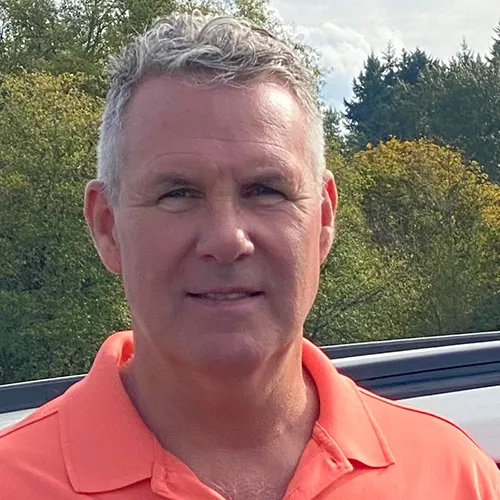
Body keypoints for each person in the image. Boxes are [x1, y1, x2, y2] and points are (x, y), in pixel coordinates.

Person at [0, 11, 498, 500]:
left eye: (265, 190)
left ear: (324, 220)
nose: (227, 238)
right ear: (107, 227)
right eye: (178, 193)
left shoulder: (451, 476)